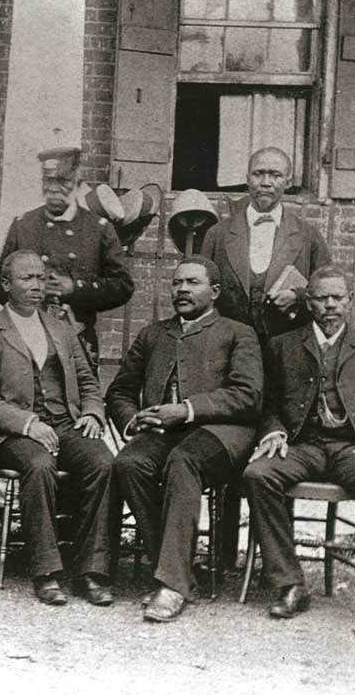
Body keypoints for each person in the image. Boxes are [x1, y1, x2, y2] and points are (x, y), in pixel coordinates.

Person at [243, 266, 355, 633]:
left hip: (353, 447)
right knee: (258, 475)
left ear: (349, 301)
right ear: (308, 302)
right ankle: (290, 583)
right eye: (321, 298)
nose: (330, 305)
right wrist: (273, 433)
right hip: (302, 446)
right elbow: (265, 405)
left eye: (338, 297)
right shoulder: (282, 345)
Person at [107, 256, 263, 622]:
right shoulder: (153, 334)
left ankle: (173, 586)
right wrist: (134, 421)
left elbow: (248, 395)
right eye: (177, 283)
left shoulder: (238, 333)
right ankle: (178, 570)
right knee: (128, 463)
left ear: (215, 291)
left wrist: (189, 409)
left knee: (184, 460)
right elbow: (119, 391)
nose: (182, 290)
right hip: (162, 432)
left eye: (192, 282)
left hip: (222, 434)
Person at [0, 251, 116, 606]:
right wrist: (28, 423)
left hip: (64, 423)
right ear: (6, 285)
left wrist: (93, 412)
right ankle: (46, 571)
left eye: (40, 278)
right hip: (13, 434)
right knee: (40, 465)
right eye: (26, 279)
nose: (36, 285)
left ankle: (91, 570)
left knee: (103, 462)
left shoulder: (60, 328)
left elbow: (87, 380)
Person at [0, 146, 134, 365]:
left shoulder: (98, 229)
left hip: (77, 342)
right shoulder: (24, 225)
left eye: (64, 181)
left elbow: (123, 286)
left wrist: (75, 288)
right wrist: (27, 291)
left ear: (77, 183)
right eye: (48, 181)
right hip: (25, 342)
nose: (54, 189)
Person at [201, 146, 330, 346]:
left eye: (275, 175)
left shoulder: (308, 236)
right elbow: (203, 291)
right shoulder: (218, 234)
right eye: (258, 174)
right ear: (247, 178)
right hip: (229, 344)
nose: (266, 182)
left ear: (288, 182)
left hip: (287, 344)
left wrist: (298, 296)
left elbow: (328, 289)